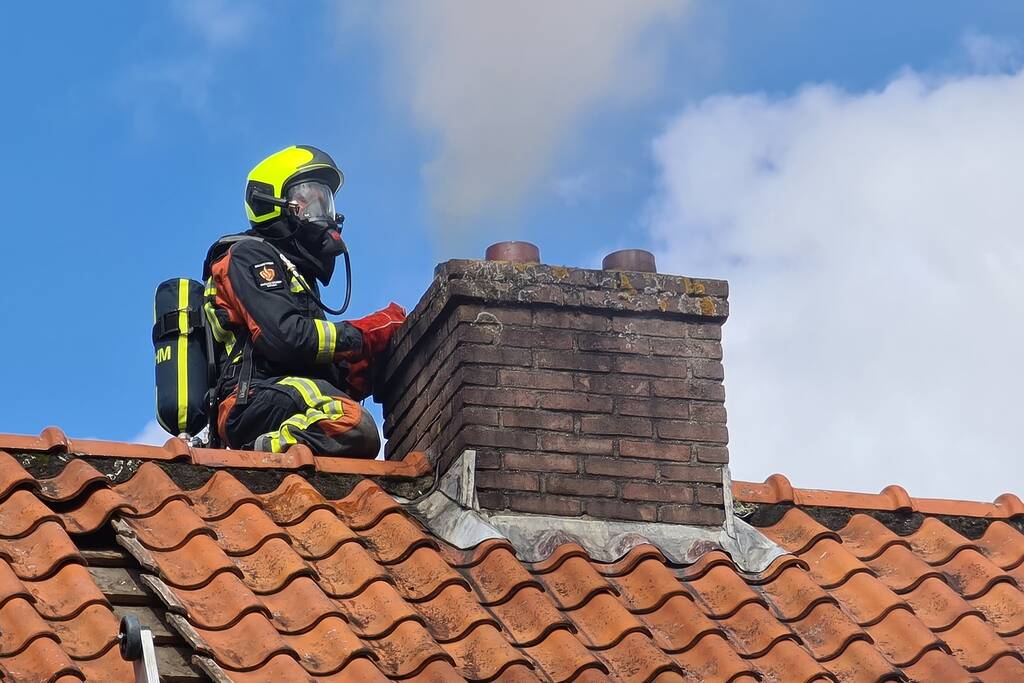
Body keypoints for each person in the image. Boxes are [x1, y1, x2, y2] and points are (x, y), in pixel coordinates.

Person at [202, 145, 405, 457]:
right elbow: (285, 337)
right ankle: (258, 452)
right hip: (251, 398)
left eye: (325, 202)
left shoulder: (294, 271)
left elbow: (304, 353)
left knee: (349, 418)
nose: (323, 214)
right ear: (270, 203)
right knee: (352, 423)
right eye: (308, 200)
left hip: (285, 394)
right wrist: (362, 336)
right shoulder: (249, 255)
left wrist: (349, 368)